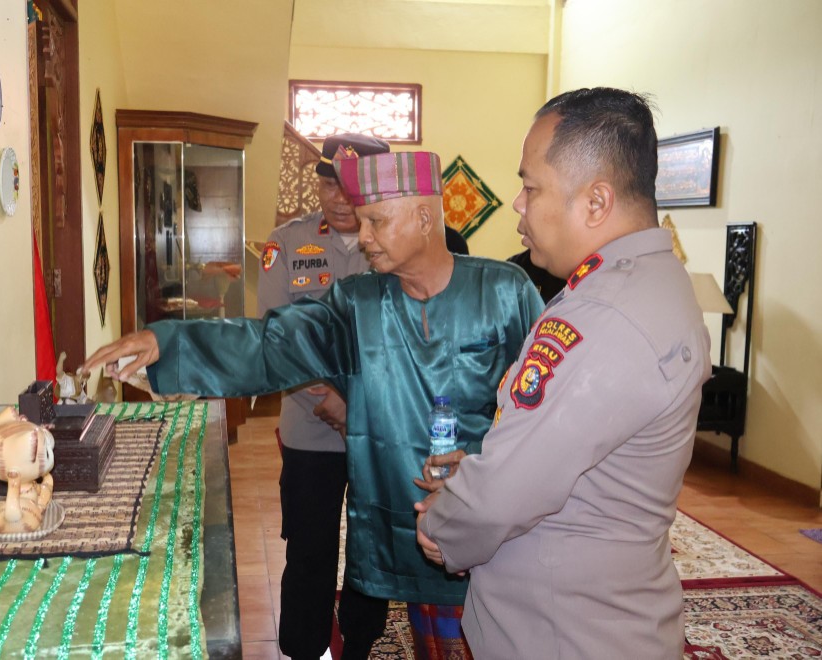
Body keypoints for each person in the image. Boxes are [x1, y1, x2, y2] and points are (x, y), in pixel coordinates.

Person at [82, 149, 544, 659]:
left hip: (482, 523)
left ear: (424, 217)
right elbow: (272, 342)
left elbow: (542, 411)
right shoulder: (358, 302)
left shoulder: (506, 292)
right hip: (397, 517)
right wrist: (170, 344)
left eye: (375, 221)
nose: (362, 236)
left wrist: (486, 472)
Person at [415, 87, 712, 659]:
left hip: (563, 632)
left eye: (531, 186)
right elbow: (574, 452)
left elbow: (500, 498)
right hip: (606, 614)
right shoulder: (653, 279)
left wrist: (444, 525)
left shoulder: (603, 314)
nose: (518, 206)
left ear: (596, 202)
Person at [257, 133, 390, 660]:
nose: (337, 197)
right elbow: (277, 335)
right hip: (311, 428)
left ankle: (359, 645)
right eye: (328, 182)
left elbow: (402, 340)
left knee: (369, 546)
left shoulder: (395, 245)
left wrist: (356, 404)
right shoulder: (286, 243)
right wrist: (332, 399)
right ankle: (302, 648)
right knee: (309, 551)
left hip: (376, 427)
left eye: (351, 187)